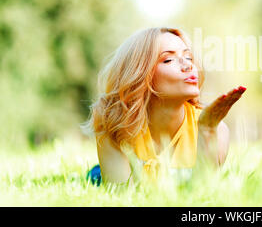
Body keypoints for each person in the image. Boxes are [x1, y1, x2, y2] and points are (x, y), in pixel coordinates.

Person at [82, 27, 246, 186]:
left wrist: (207, 129)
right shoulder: (114, 122)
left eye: (189, 58)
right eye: (168, 60)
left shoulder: (217, 130)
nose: (188, 65)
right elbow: (122, 196)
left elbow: (200, 197)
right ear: (140, 75)